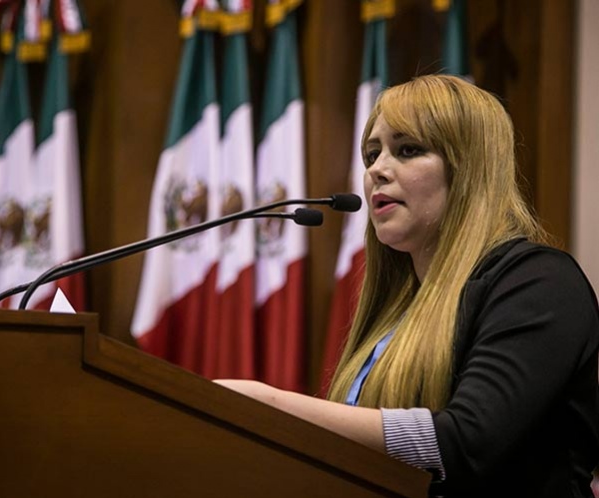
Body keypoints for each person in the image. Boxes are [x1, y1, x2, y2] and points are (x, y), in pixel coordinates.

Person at [215, 74, 599, 498]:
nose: (377, 170)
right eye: (372, 154)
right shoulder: (398, 310)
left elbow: (464, 445)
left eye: (408, 150)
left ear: (469, 168)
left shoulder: (540, 283)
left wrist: (270, 406)